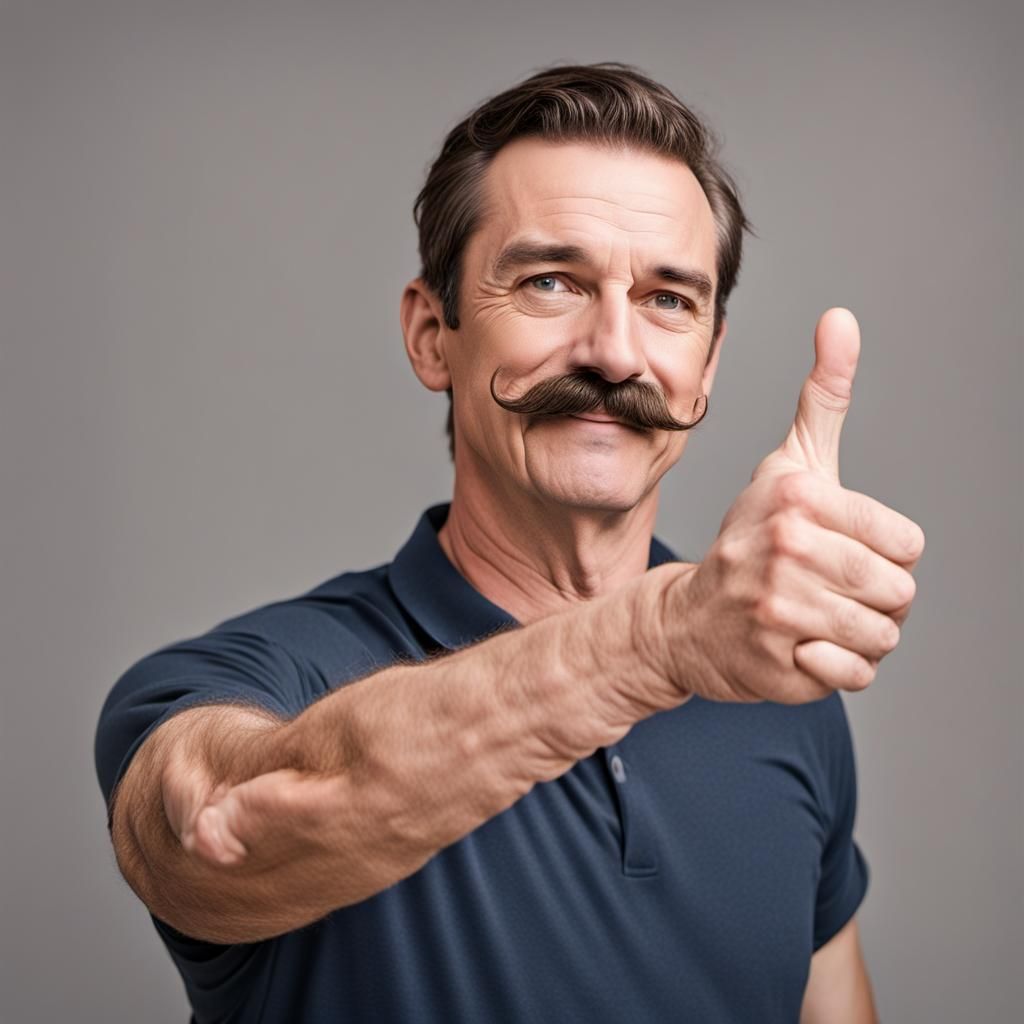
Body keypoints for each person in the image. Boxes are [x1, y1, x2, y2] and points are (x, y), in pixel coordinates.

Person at [94, 62, 923, 1023]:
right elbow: (205, 838)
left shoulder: (778, 691)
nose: (615, 353)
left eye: (668, 300)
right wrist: (654, 643)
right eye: (550, 281)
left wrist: (692, 640)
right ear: (432, 335)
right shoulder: (249, 680)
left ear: (709, 362)